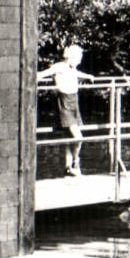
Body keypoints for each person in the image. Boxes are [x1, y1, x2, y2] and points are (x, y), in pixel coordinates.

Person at [38, 44, 93, 176]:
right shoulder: (59, 66)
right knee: (78, 137)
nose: (80, 61)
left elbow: (77, 73)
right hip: (64, 103)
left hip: (74, 102)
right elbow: (43, 74)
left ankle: (68, 167)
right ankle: (76, 162)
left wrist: (88, 76)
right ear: (71, 57)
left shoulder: (72, 68)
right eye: (79, 58)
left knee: (69, 137)